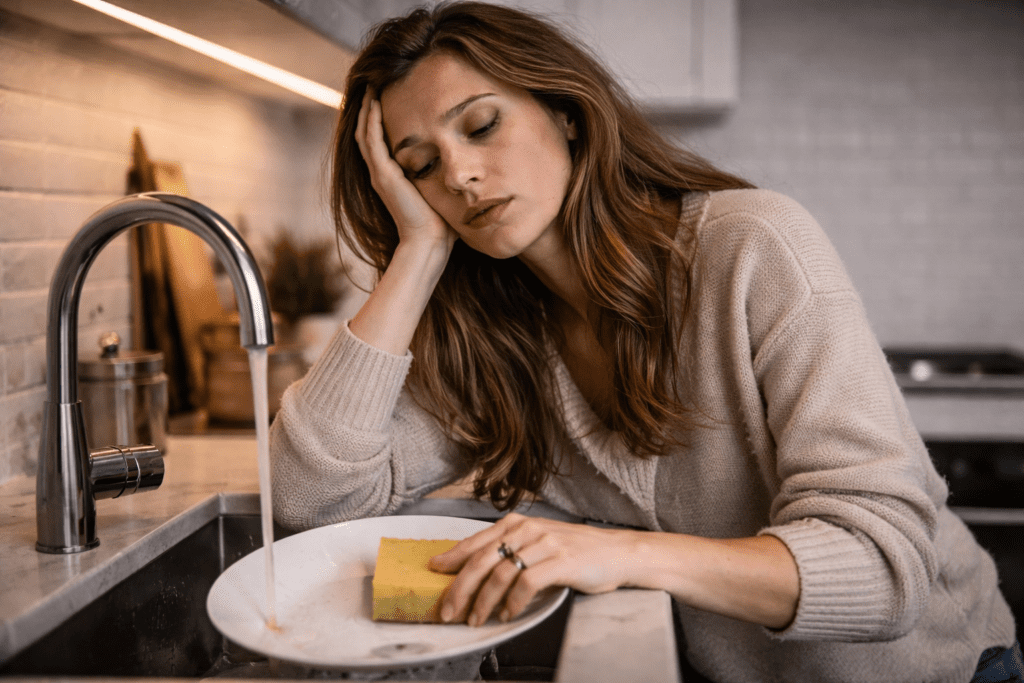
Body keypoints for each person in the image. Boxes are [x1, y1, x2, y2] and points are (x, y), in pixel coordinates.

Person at [269, 2, 1021, 681]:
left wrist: (619, 553)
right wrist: (420, 251)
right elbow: (311, 499)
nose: (460, 175)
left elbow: (885, 571)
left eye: (481, 124)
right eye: (420, 166)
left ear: (563, 111)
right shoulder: (497, 340)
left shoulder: (753, 246)